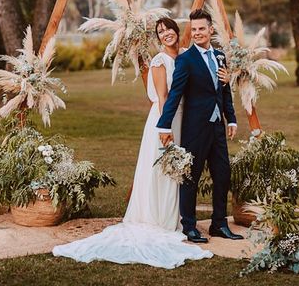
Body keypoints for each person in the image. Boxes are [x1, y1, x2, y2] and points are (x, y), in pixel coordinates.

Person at [52, 17, 213, 268]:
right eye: (160, 32)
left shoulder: (185, 55)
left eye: (168, 28)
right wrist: (165, 126)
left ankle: (178, 216)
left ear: (176, 30)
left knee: (179, 171)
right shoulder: (160, 61)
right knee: (163, 168)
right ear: (158, 37)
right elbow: (162, 96)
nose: (165, 34)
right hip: (165, 120)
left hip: (186, 121)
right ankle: (158, 219)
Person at [156, 9, 244, 243]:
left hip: (217, 128)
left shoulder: (220, 56)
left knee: (223, 174)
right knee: (191, 177)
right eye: (193, 29)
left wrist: (231, 118)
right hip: (195, 127)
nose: (197, 33)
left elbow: (224, 90)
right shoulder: (185, 60)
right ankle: (189, 226)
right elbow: (174, 94)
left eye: (201, 29)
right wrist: (164, 126)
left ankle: (219, 224)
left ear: (210, 30)